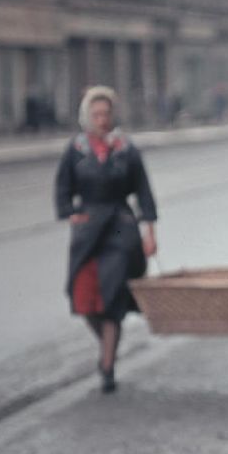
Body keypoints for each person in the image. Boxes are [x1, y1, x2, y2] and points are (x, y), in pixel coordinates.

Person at [54, 86, 157, 393]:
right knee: (84, 299)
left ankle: (108, 364)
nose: (101, 119)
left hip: (119, 230)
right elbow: (62, 187)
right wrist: (70, 213)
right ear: (87, 116)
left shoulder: (126, 148)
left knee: (112, 299)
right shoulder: (76, 149)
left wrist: (150, 230)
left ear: (113, 115)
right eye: (95, 114)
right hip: (87, 233)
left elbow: (144, 191)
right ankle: (108, 347)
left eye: (106, 113)